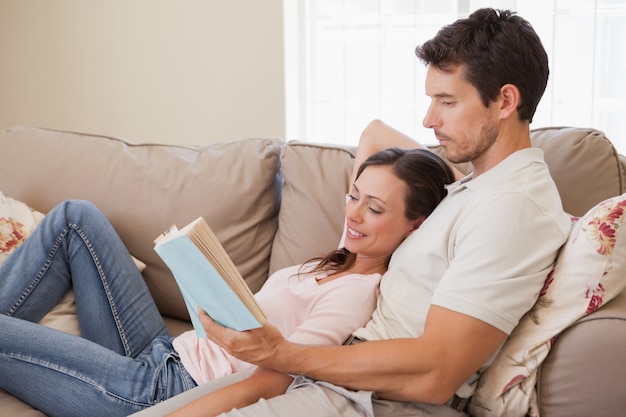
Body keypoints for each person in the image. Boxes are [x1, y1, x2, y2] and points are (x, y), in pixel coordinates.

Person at [159, 7, 572, 417]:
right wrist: (470, 161)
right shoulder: (481, 186)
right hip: (338, 375)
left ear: (505, 100)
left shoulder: (513, 208)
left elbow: (438, 372)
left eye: (447, 101)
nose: (429, 120)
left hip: (371, 399)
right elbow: (376, 134)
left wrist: (283, 352)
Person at [0, 146, 454, 416]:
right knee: (76, 219)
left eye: (374, 209)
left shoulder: (357, 293)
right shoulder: (340, 258)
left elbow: (273, 381)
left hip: (162, 391)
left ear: (417, 227)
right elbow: (377, 135)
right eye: (353, 196)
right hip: (165, 350)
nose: (353, 214)